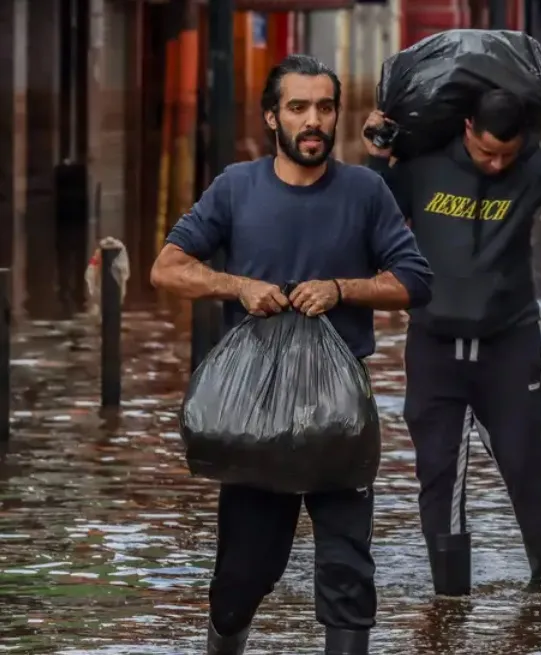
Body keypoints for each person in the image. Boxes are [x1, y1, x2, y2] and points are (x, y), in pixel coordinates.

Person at [150, 55, 433, 655]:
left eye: (325, 108)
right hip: (253, 413)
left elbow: (414, 281)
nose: (314, 121)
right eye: (299, 108)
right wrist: (239, 286)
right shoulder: (235, 187)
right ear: (272, 116)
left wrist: (341, 289)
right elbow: (167, 269)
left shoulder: (365, 190)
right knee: (243, 575)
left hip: (339, 413)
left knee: (348, 570)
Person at [363, 83, 541, 596]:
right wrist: (377, 155)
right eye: (486, 151)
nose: (497, 164)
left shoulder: (536, 167)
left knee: (527, 466)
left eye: (507, 153)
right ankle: (449, 598)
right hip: (434, 345)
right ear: (467, 129)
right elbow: (368, 213)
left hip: (509, 344)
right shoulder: (425, 163)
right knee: (439, 474)